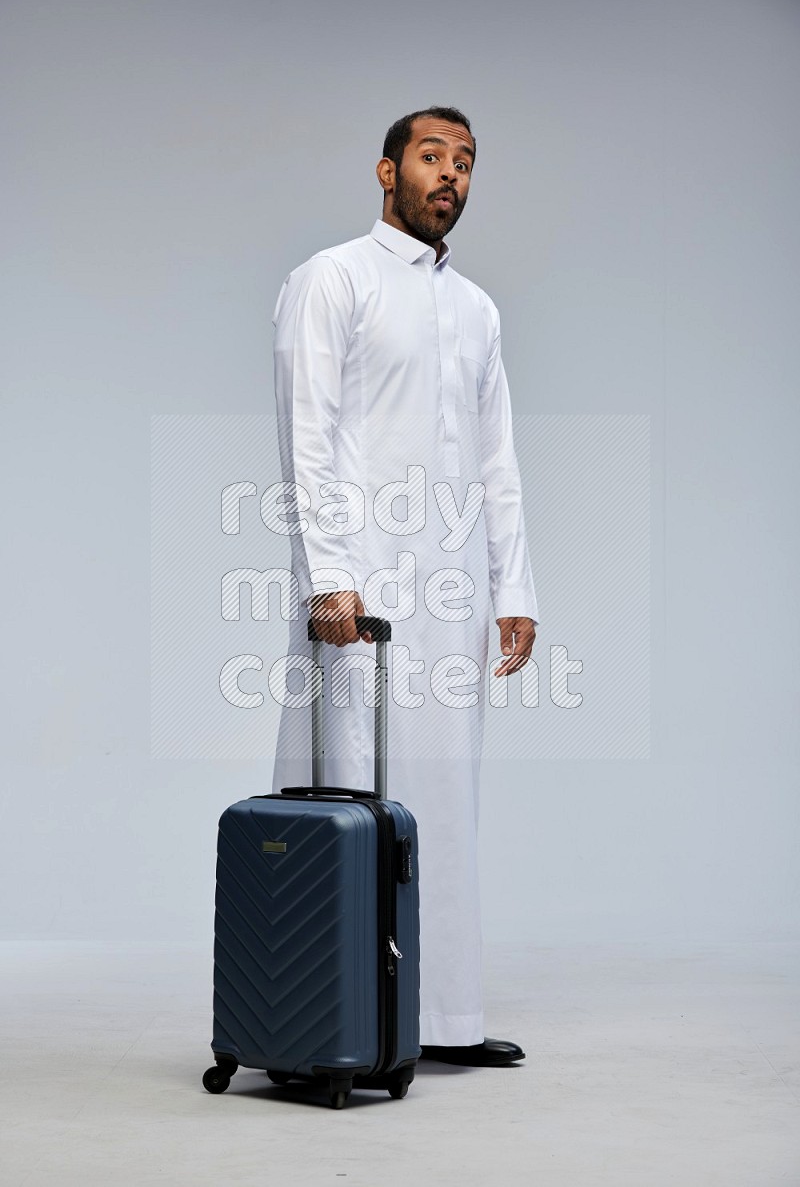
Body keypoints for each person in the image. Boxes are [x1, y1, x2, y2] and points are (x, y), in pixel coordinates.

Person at [270, 106, 540, 1067]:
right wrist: (328, 576)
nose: (452, 175)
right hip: (364, 590)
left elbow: (497, 461)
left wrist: (517, 588)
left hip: (456, 589)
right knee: (352, 784)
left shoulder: (477, 308)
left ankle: (441, 1019)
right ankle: (334, 1017)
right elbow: (309, 432)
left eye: (466, 162)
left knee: (444, 798)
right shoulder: (333, 278)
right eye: (433, 156)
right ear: (387, 171)